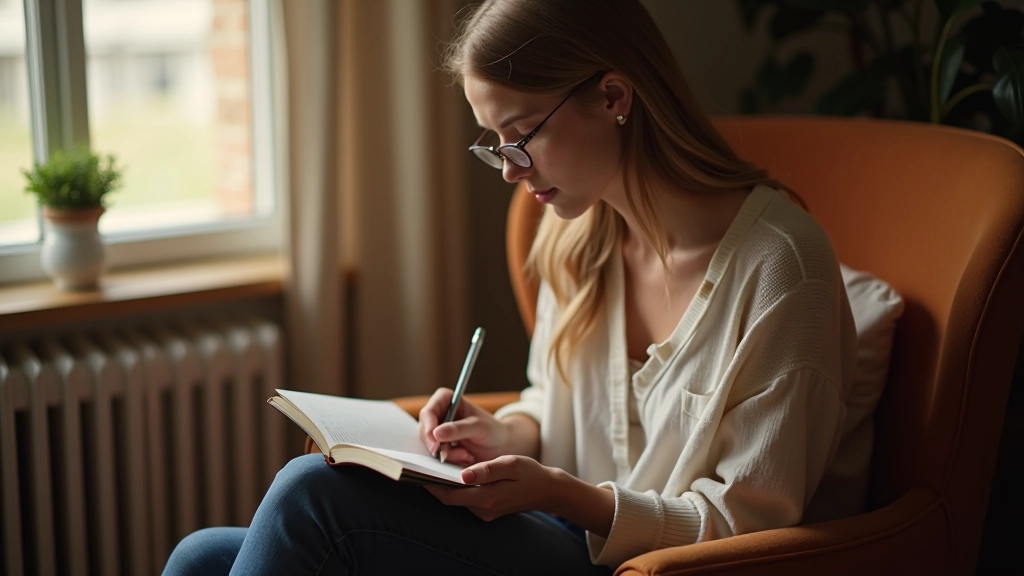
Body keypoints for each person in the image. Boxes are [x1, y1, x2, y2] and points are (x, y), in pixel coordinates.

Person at [164, 0, 859, 574]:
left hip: (650, 566)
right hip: (557, 530)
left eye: (520, 135)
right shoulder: (575, 234)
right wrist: (498, 433)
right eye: (493, 143)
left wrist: (568, 495)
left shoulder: (781, 267)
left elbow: (743, 523)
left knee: (309, 496)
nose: (508, 170)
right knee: (201, 558)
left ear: (614, 96)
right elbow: (552, 407)